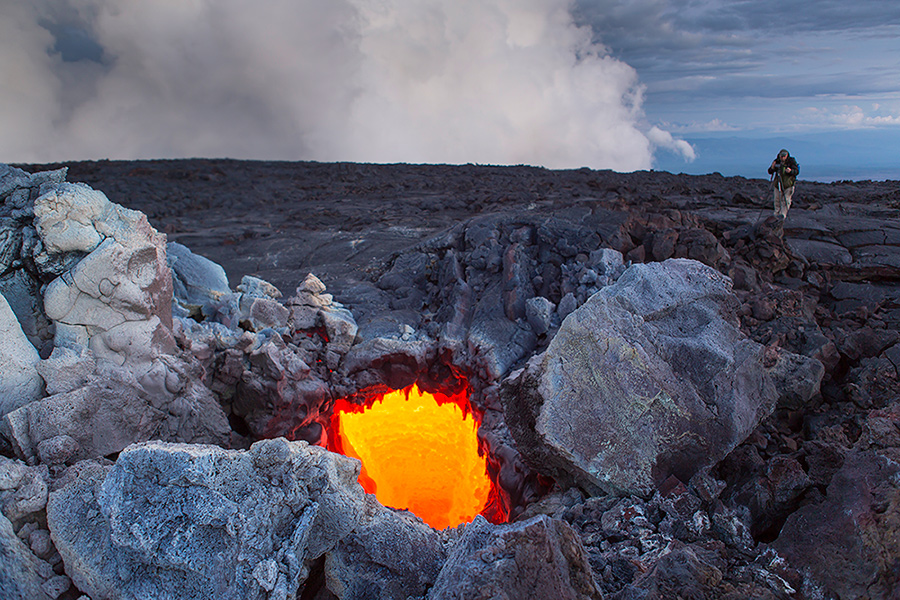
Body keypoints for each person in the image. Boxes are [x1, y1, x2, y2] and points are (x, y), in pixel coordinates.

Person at [768, 149, 799, 218]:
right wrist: (772, 167)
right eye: (781, 156)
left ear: (787, 155)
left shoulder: (791, 162)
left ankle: (783, 215)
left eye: (784, 156)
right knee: (777, 200)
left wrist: (790, 171)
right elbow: (770, 171)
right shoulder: (777, 161)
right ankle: (776, 214)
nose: (782, 158)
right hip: (777, 184)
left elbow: (796, 171)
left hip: (788, 185)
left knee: (786, 201)